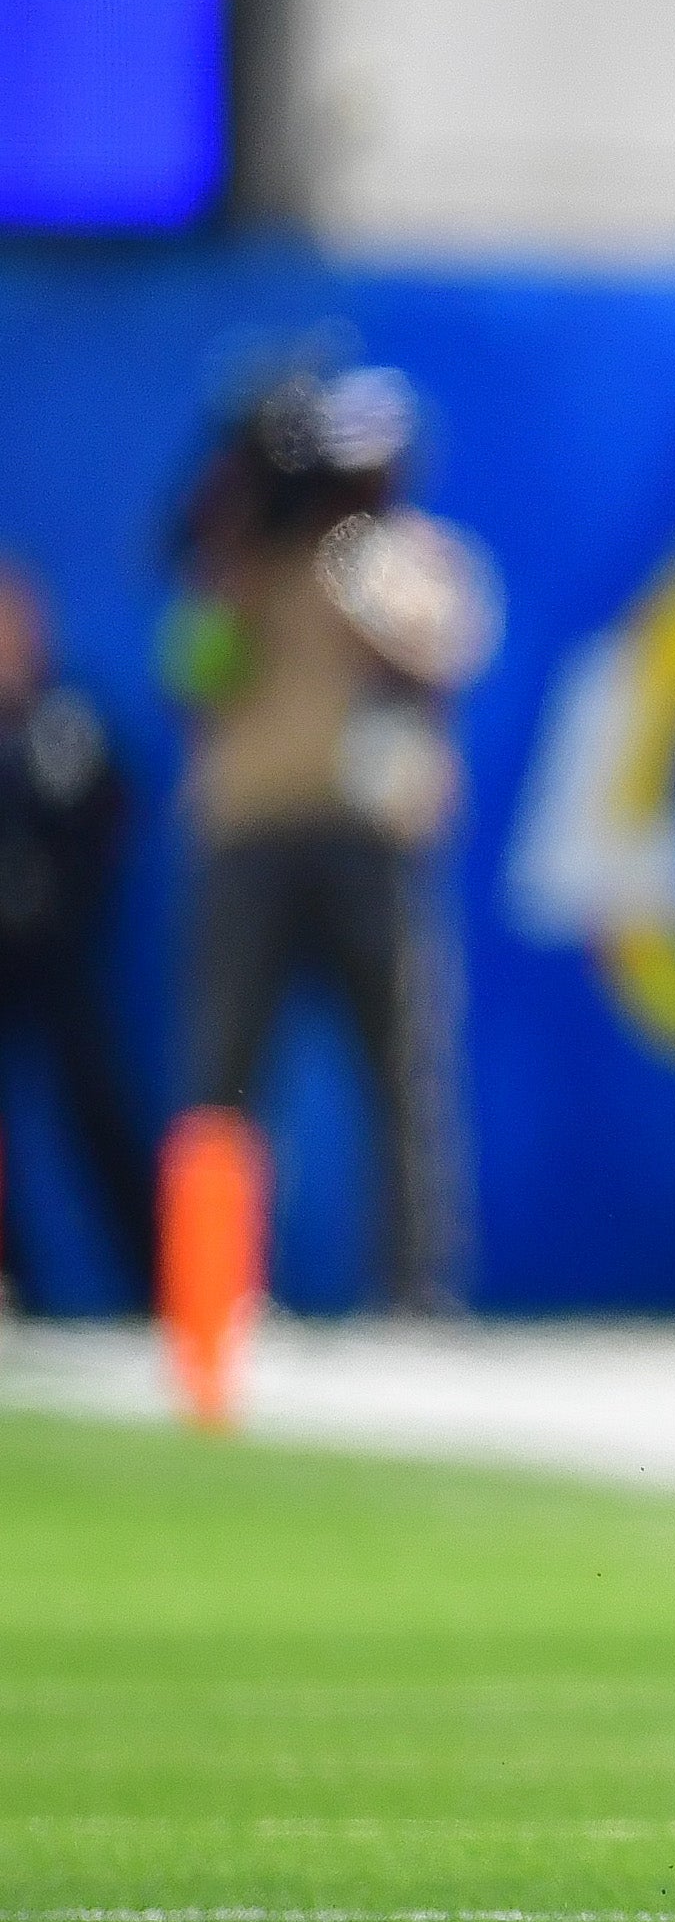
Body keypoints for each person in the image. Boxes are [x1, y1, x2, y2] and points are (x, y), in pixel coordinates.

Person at [165, 365, 496, 1312]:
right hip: (251, 836)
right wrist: (238, 551)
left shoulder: (414, 556)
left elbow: (439, 654)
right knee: (224, 1069)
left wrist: (352, 565)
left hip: (369, 838)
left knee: (401, 1071)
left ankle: (413, 1290)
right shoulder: (245, 562)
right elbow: (194, 674)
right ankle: (211, 1287)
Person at [0, 558, 155, 1301]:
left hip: (61, 950)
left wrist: (61, 900)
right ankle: (11, 1283)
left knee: (94, 1108)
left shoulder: (69, 717)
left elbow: (107, 815)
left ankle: (159, 1280)